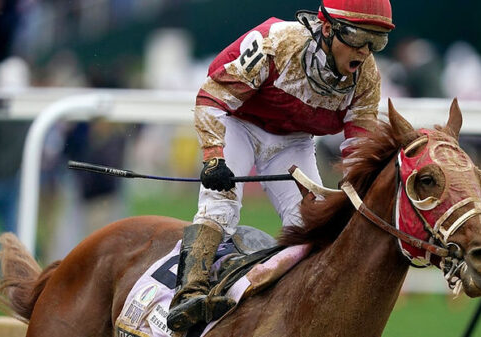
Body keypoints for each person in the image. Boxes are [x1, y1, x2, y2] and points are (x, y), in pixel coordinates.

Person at [166, 0, 395, 331]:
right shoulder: (276, 42)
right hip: (238, 123)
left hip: (293, 140)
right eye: (360, 38)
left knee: (311, 222)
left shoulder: (366, 77)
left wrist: (359, 194)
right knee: (221, 208)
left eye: (377, 42)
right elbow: (212, 95)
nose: (366, 52)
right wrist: (214, 155)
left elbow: (360, 148)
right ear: (328, 29)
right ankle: (188, 295)